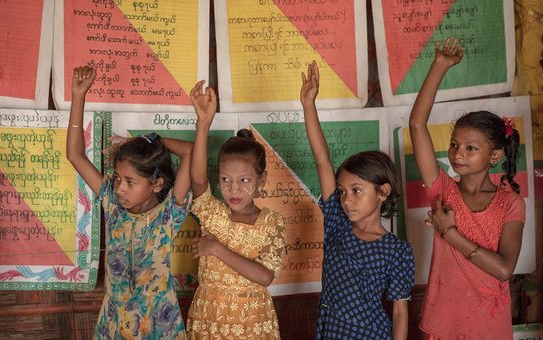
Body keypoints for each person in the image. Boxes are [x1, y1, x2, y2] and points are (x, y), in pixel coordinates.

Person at [408, 38, 526, 339]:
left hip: (487, 325)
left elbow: (503, 269)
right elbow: (417, 125)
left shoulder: (511, 203)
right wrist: (439, 66)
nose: (458, 153)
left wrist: (449, 233)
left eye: (471, 148)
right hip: (442, 321)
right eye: (455, 145)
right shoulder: (443, 190)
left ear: (495, 156)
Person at [67, 66, 193, 339]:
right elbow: (75, 155)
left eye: (130, 182)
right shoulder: (111, 204)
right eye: (118, 179)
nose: (120, 188)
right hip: (115, 324)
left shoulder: (169, 214)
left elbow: (190, 150)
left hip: (158, 325)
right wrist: (79, 96)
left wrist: (149, 140)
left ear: (157, 184)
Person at [301, 61, 415, 339]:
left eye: (356, 190)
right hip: (330, 333)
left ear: (383, 192)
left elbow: (400, 312)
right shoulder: (337, 224)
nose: (346, 199)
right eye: (342, 191)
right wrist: (308, 105)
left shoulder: (397, 251)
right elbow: (322, 161)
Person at [185, 80, 285, 339]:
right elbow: (197, 180)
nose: (233, 189)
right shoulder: (213, 212)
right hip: (209, 316)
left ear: (261, 181)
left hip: (251, 320)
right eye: (225, 180)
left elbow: (264, 276)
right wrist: (203, 123)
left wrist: (216, 248)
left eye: (244, 181)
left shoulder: (271, 222)